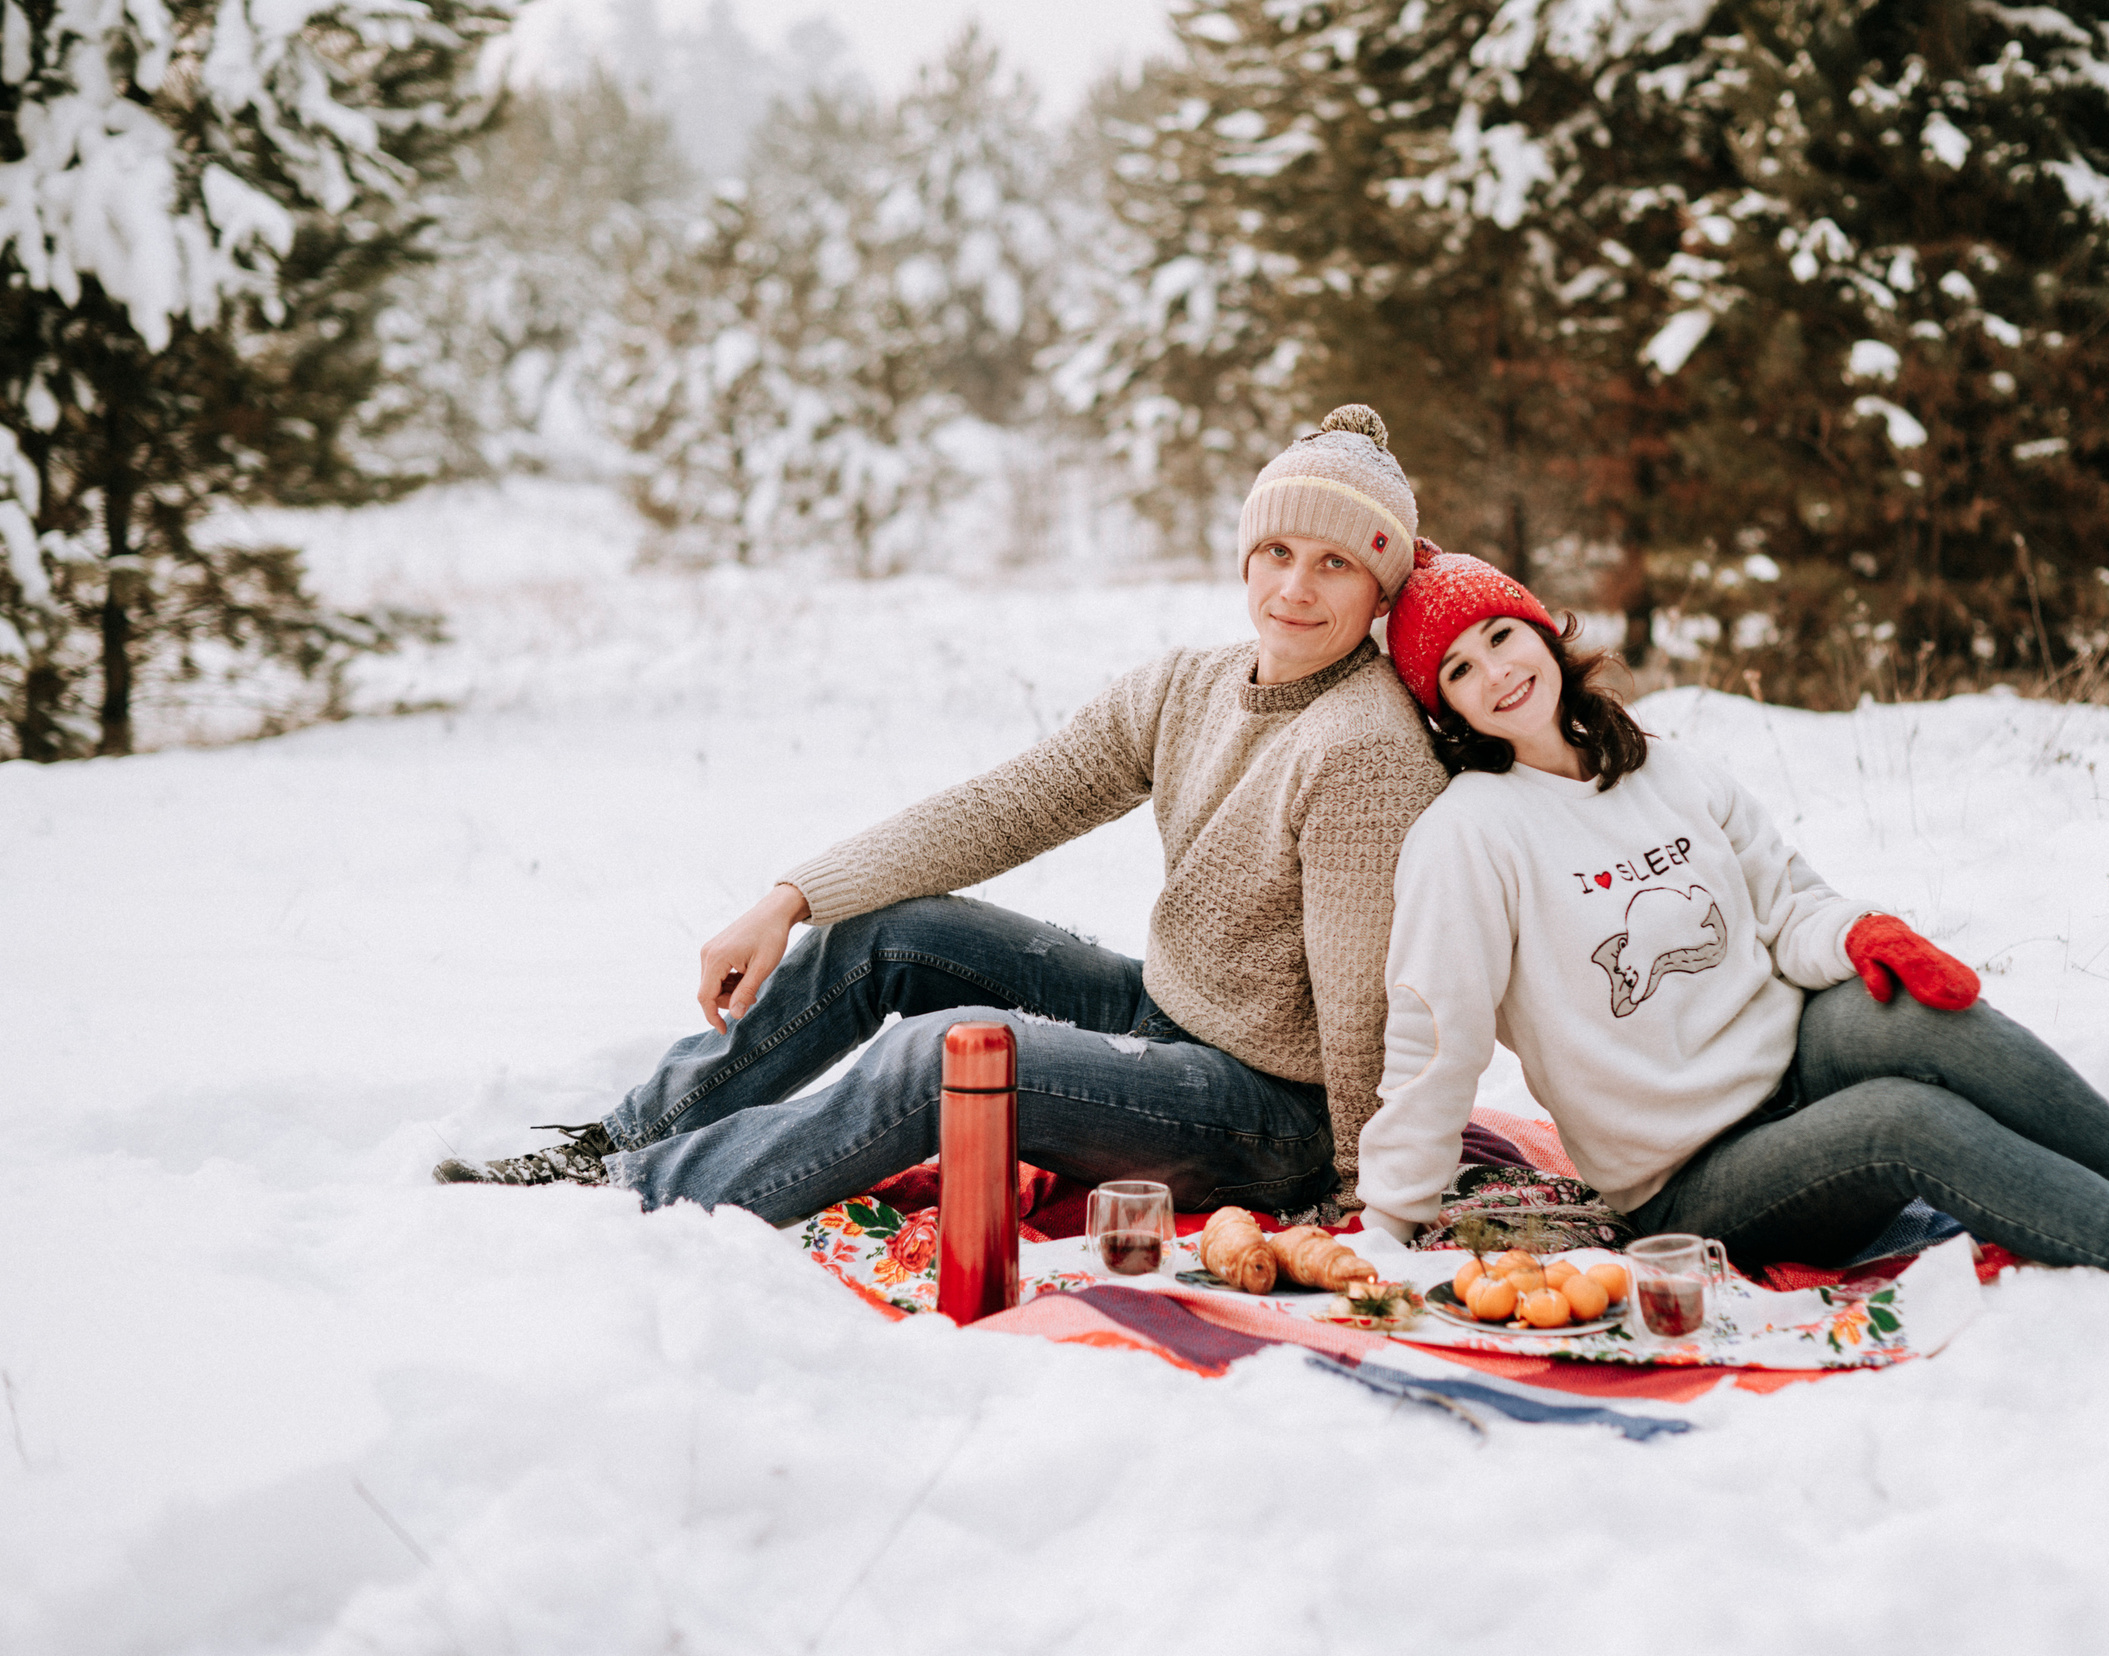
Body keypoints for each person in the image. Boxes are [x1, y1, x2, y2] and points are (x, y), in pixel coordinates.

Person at [438, 405, 1446, 1224]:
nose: (1295, 588)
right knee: (890, 935)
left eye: (1335, 564)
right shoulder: (1191, 686)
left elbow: (1372, 1001)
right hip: (1168, 1015)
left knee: (944, 1059)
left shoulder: (1363, 748)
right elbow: (1005, 807)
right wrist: (792, 898)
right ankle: (618, 1139)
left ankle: (632, 1197)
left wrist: (1367, 1194)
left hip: (1270, 1116)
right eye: (1277, 550)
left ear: (1380, 587)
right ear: (1244, 557)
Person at [1353, 542, 2109, 1291]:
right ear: (1449, 710)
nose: (1496, 673)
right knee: (1903, 1120)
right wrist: (1389, 1221)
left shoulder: (1663, 767)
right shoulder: (1469, 835)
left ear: (1540, 630)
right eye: (1460, 670)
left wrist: (1858, 934)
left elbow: (1785, 904)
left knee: (1907, 1010)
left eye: (1500, 637)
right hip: (1692, 1178)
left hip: (1792, 1064)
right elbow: (1438, 1035)